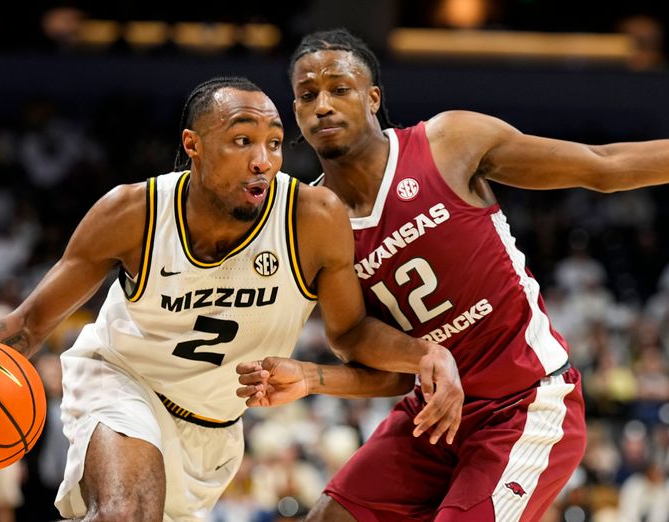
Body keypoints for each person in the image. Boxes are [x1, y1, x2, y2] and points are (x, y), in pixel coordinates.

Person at [0, 76, 463, 521]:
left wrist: (424, 354)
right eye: (242, 141)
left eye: (272, 142)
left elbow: (352, 338)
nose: (263, 159)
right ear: (193, 145)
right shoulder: (132, 213)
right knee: (124, 515)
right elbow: (27, 325)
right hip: (123, 381)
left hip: (214, 429)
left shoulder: (312, 219)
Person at [237, 28, 669, 521]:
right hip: (434, 414)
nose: (322, 105)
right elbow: (361, 345)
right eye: (307, 95)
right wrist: (316, 377)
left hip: (525, 404)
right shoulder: (313, 219)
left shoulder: (448, 143)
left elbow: (604, 166)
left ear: (373, 97)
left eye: (339, 88)